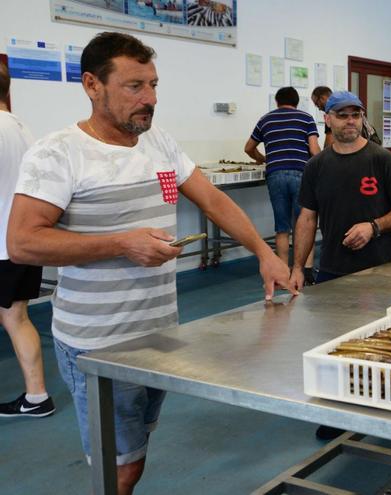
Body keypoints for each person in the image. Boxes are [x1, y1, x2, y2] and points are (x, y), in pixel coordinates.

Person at [6, 32, 290, 495]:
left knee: (134, 454)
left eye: (154, 85)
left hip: (158, 335)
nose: (150, 99)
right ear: (92, 85)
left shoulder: (158, 141)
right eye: (135, 86)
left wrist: (265, 253)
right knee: (118, 469)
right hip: (98, 344)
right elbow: (22, 242)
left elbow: (214, 200)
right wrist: (121, 243)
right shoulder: (58, 153)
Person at [291, 90, 391, 290]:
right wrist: (297, 268)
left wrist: (374, 227)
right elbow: (307, 218)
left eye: (356, 115)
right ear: (327, 119)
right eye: (342, 115)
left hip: (380, 270)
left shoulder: (383, 160)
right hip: (331, 270)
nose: (350, 121)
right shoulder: (316, 166)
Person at [0, 62, 55, 419]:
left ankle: (37, 397)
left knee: (14, 317)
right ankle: (36, 396)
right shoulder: (22, 127)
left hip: (4, 242)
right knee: (15, 315)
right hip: (22, 238)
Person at [245, 86, 320, 283]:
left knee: (282, 227)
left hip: (275, 175)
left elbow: (248, 148)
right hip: (301, 173)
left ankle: (282, 275)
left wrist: (263, 159)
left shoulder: (265, 119)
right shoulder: (306, 119)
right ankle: (307, 272)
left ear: (277, 102)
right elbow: (314, 150)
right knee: (305, 224)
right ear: (296, 102)